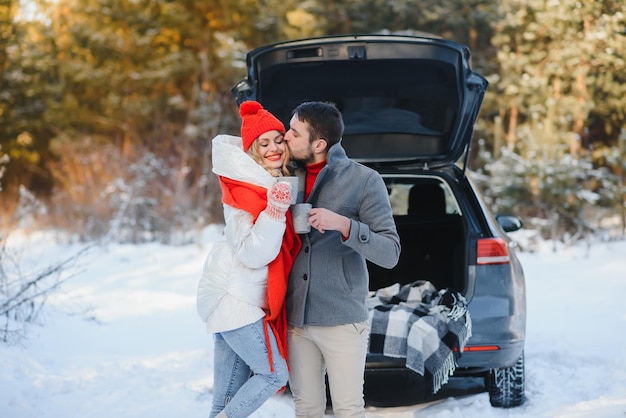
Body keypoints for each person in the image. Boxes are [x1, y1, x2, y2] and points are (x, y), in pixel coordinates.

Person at [283, 101, 401, 417]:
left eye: (294, 132)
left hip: (342, 320)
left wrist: (346, 226)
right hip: (295, 319)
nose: (285, 137)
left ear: (319, 144)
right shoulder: (283, 175)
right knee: (306, 408)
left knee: (348, 409)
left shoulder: (364, 180)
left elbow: (390, 252)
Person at [196, 101, 301, 418]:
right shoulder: (243, 193)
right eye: (263, 143)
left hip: (233, 296)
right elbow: (254, 253)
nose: (273, 148)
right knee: (274, 374)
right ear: (252, 149)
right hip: (235, 297)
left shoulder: (268, 183)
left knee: (225, 399)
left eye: (278, 140)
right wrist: (275, 211)